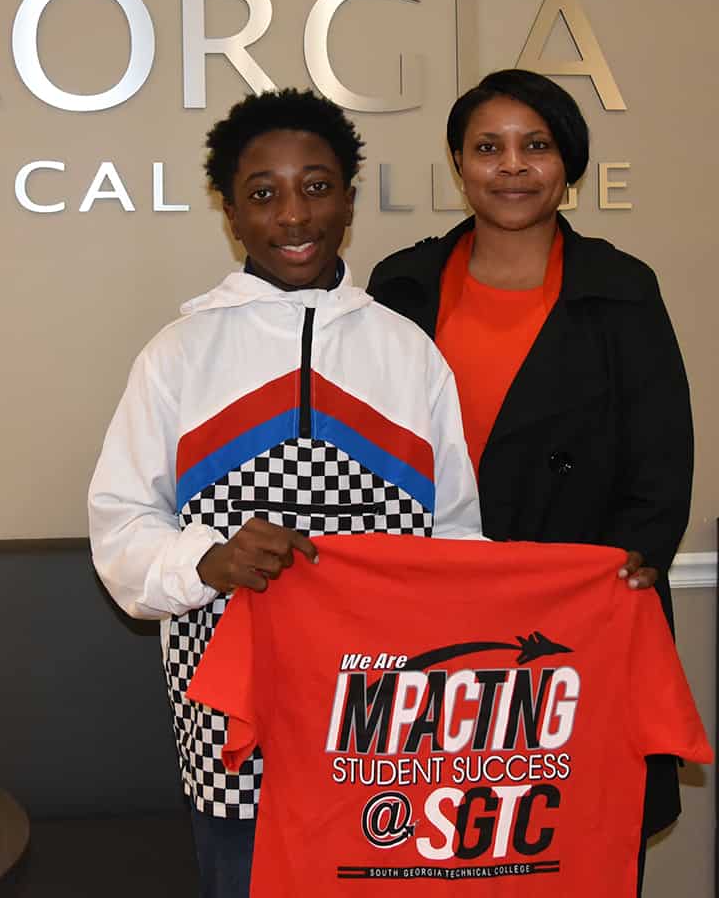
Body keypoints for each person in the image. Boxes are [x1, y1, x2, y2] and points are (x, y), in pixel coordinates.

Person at [88, 87, 482, 898]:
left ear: (347, 199)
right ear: (232, 214)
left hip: (388, 718)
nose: (293, 215)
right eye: (264, 194)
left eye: (316, 186)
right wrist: (208, 561)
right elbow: (121, 531)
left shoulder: (410, 356)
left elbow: (458, 542)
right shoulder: (179, 353)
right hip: (238, 719)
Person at [367, 68, 693, 891]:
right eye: (488, 147)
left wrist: (614, 572)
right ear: (457, 163)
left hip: (576, 625)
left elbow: (660, 472)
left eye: (535, 145)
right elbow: (364, 459)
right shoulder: (399, 287)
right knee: (434, 848)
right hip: (435, 623)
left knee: (575, 844)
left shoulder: (622, 289)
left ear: (567, 163)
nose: (511, 166)